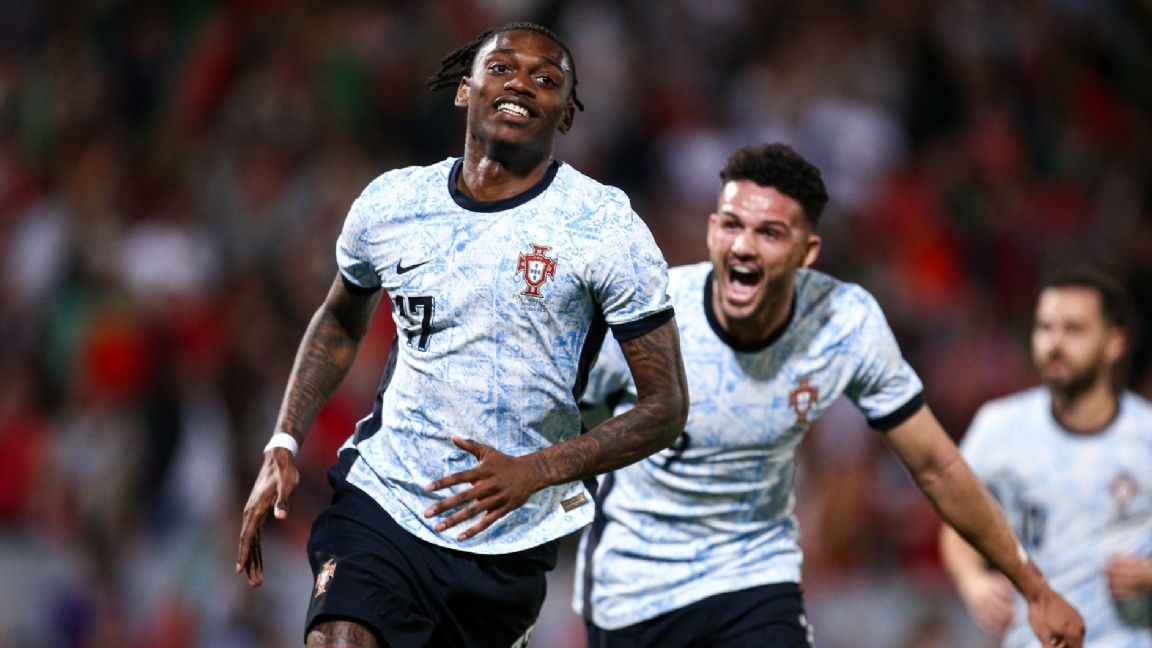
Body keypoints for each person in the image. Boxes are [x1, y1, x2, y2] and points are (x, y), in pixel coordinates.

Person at [235, 22, 688, 648]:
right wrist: (284, 439)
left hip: (507, 538)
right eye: (501, 67)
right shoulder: (394, 204)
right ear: (464, 90)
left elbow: (666, 406)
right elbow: (340, 317)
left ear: (565, 115)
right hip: (384, 502)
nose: (521, 83)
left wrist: (536, 470)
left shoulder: (605, 228)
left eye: (545, 78)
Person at [573, 143, 1085, 648]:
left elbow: (937, 465)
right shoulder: (646, 318)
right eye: (732, 225)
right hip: (635, 589)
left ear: (807, 253)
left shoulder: (844, 325)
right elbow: (549, 413)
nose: (744, 246)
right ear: (712, 231)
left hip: (754, 580)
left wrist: (1034, 588)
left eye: (770, 232)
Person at [941, 264, 1152, 647]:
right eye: (1045, 328)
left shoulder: (1146, 436)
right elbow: (958, 524)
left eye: (1074, 329)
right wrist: (973, 582)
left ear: (1115, 343)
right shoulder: (999, 427)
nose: (1055, 343)